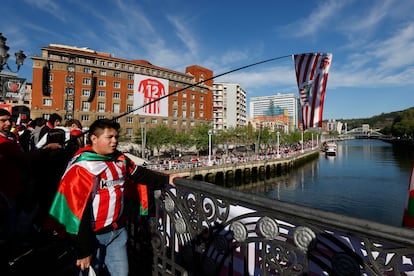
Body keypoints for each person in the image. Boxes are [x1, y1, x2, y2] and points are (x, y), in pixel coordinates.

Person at [49, 118, 175, 275]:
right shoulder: (83, 168)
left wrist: (167, 179)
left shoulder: (120, 159)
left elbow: (138, 173)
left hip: (117, 232)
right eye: (109, 137)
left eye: (116, 137)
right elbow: (76, 212)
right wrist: (83, 250)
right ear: (94, 139)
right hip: (92, 235)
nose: (114, 141)